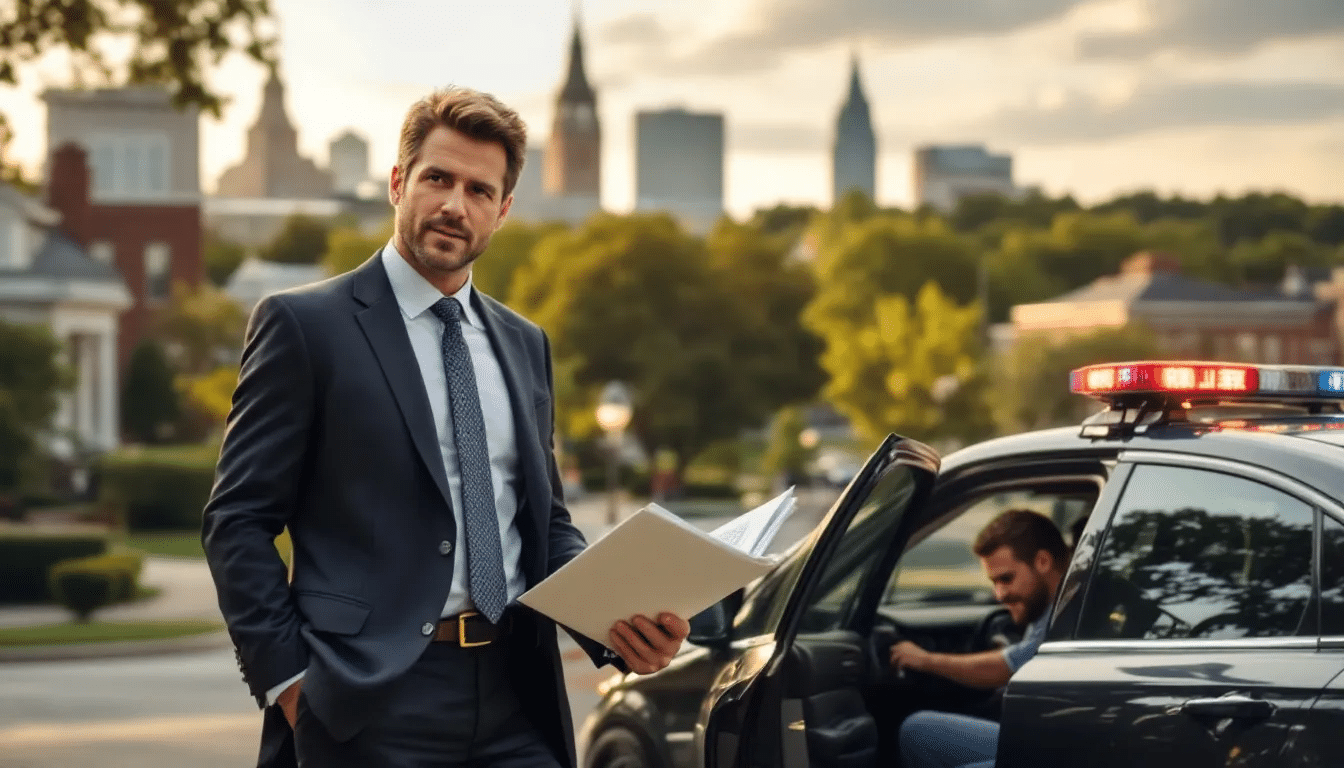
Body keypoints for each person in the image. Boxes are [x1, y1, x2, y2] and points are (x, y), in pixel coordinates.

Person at [202, 86, 689, 768]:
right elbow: (238, 519)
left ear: (503, 210)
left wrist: (618, 626)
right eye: (438, 179)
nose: (455, 205)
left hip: (517, 697)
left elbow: (543, 524)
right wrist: (290, 685)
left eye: (479, 190)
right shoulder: (305, 327)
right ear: (398, 183)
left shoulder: (525, 344)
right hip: (368, 704)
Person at [889, 509, 1068, 768]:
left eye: (1006, 579)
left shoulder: (1071, 609)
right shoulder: (1046, 607)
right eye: (994, 582)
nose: (999, 594)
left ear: (1042, 561)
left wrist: (925, 660)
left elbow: (1007, 667)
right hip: (1040, 739)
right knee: (916, 731)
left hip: (1060, 752)